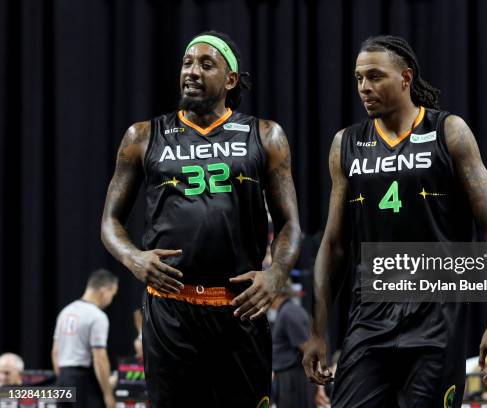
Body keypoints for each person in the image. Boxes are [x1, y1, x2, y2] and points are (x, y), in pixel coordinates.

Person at [302, 34, 487, 408]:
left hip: (436, 318)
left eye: (375, 76)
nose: (364, 87)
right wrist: (316, 330)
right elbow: (333, 244)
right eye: (358, 78)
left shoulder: (448, 132)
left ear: (405, 78)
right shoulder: (345, 144)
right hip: (370, 316)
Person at [101, 30, 300, 407]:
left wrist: (276, 275)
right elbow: (110, 221)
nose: (191, 71)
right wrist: (133, 257)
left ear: (230, 80)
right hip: (170, 311)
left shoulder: (266, 135)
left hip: (239, 309)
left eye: (206, 64)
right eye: (187, 62)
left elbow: (290, 223)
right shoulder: (142, 136)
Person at [51, 268, 118, 408]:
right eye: (112, 295)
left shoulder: (65, 311)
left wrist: (63, 380)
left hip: (63, 379)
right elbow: (100, 358)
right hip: (83, 383)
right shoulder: (97, 316)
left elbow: (55, 352)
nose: (110, 300)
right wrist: (107, 394)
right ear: (104, 291)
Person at [271, 282, 314, 408]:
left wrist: (318, 387)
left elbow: (308, 349)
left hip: (293, 381)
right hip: (287, 379)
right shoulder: (286, 311)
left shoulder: (289, 312)